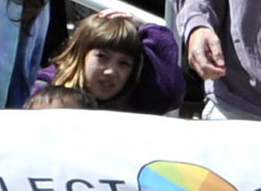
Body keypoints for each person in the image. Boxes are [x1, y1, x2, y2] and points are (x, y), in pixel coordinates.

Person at [35, 10, 183, 113]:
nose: (111, 71)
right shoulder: (43, 89)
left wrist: (149, 29)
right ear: (79, 54)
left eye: (124, 64)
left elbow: (168, 93)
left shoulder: (132, 102)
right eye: (102, 57)